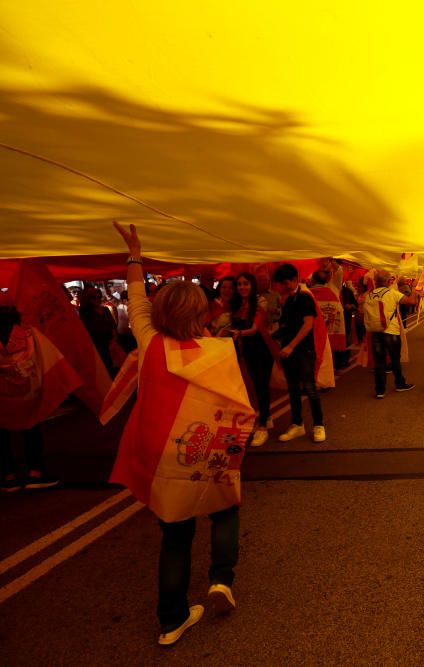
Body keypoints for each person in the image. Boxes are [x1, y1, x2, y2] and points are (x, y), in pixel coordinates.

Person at [111, 222, 253, 646]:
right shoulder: (218, 350)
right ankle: (221, 578)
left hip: (161, 452)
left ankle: (172, 619)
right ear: (202, 314)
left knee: (175, 533)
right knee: (225, 506)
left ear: (159, 314)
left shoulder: (149, 341)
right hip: (208, 445)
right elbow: (238, 405)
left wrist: (134, 253)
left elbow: (135, 298)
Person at [0, 291, 75, 492]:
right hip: (28, 394)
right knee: (31, 430)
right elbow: (49, 359)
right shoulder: (29, 334)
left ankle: (7, 474)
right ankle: (36, 472)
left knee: (2, 435)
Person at [271, 264, 325, 443]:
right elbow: (288, 324)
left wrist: (290, 346)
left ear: (295, 279)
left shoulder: (304, 297)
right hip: (289, 351)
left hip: (303, 351)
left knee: (309, 388)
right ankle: (297, 424)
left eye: (286, 282)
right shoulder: (289, 299)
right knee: (293, 389)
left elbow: (308, 324)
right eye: (281, 283)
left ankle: (318, 425)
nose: (284, 286)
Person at [229, 273, 274, 448]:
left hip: (262, 349)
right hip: (246, 350)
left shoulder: (260, 302)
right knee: (255, 386)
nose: (242, 287)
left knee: (261, 386)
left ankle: (262, 426)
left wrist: (238, 333)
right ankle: (266, 417)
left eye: (245, 283)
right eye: (239, 284)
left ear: (252, 285)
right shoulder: (237, 304)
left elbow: (255, 329)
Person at [359, 269, 420, 398]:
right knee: (395, 360)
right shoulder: (392, 293)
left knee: (379, 362)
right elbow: (411, 301)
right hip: (391, 331)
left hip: (375, 331)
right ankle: (399, 384)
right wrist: (414, 288)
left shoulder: (369, 294)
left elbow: (360, 306)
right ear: (388, 281)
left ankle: (380, 390)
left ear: (375, 281)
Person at [79, 286, 118, 375]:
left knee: (115, 367)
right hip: (97, 346)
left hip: (110, 344)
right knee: (105, 370)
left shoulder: (106, 309)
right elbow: (86, 331)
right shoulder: (85, 312)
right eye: (93, 297)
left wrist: (114, 338)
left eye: (99, 296)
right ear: (87, 299)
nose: (97, 299)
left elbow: (112, 325)